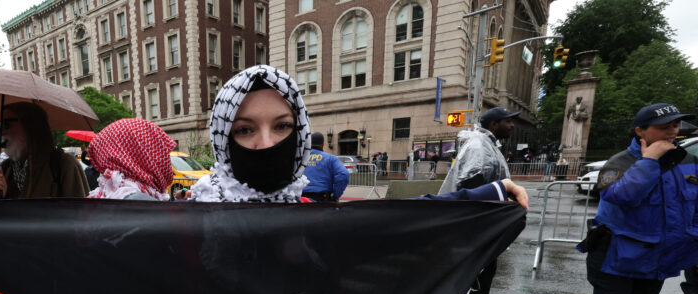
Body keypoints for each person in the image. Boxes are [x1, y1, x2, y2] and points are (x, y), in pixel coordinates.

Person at [190, 65, 529, 209]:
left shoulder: (310, 215)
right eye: (245, 130)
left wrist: (493, 191)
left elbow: (403, 223)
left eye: (282, 126)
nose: (266, 144)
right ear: (223, 138)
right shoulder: (184, 222)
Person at [576, 103, 698, 294]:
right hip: (616, 256)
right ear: (640, 131)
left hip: (656, 258)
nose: (672, 131)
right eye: (664, 126)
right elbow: (621, 196)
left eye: (676, 125)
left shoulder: (686, 161)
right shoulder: (621, 162)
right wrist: (649, 161)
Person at [438, 107, 519, 294]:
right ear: (494, 124)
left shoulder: (487, 145)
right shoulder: (479, 147)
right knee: (483, 269)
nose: (512, 125)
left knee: (479, 269)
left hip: (481, 220)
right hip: (478, 221)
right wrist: (485, 215)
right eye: (507, 121)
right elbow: (471, 183)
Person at [0, 102, 89, 199]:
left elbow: (81, 214)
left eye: (6, 124)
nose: (1, 132)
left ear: (30, 125)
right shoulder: (5, 168)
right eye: (0, 125)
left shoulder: (63, 164)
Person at [87, 118, 177, 200]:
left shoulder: (106, 193)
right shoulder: (141, 201)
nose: (166, 158)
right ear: (142, 155)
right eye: (159, 150)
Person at [301, 132, 349, 202]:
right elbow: (343, 174)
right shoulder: (330, 158)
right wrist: (336, 195)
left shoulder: (300, 158)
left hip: (300, 198)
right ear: (322, 145)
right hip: (321, 199)